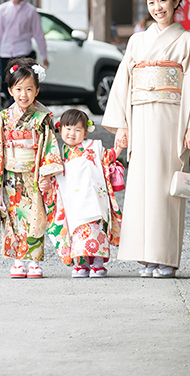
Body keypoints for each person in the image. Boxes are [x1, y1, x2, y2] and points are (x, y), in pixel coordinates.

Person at [103, 0, 190, 278]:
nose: (157, 7)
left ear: (176, 1)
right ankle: (145, 256)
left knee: (167, 187)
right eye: (151, 2)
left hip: (172, 120)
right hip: (140, 117)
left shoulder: (188, 40)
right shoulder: (137, 41)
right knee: (141, 186)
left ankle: (165, 257)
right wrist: (122, 125)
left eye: (163, 0)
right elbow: (123, 84)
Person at [0, 57, 62, 278]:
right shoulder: (4, 118)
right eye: (18, 89)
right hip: (10, 176)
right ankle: (18, 260)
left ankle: (34, 261)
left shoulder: (42, 118)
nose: (23, 94)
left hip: (33, 174)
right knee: (13, 217)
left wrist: (46, 173)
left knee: (35, 216)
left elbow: (49, 146)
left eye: (29, 89)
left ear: (37, 91)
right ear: (10, 90)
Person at [44, 108, 123, 278]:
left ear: (86, 132)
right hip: (73, 201)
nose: (72, 133)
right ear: (60, 129)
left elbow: (107, 158)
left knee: (96, 230)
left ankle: (98, 264)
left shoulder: (93, 147)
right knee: (76, 232)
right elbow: (52, 172)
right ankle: (82, 264)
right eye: (68, 129)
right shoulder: (58, 152)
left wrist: (119, 148)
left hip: (93, 199)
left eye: (77, 130)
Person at [0, 0, 49, 79]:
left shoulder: (31, 11)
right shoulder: (3, 9)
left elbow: (38, 34)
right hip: (5, 53)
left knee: (22, 82)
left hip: (23, 53)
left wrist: (44, 56)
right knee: (7, 83)